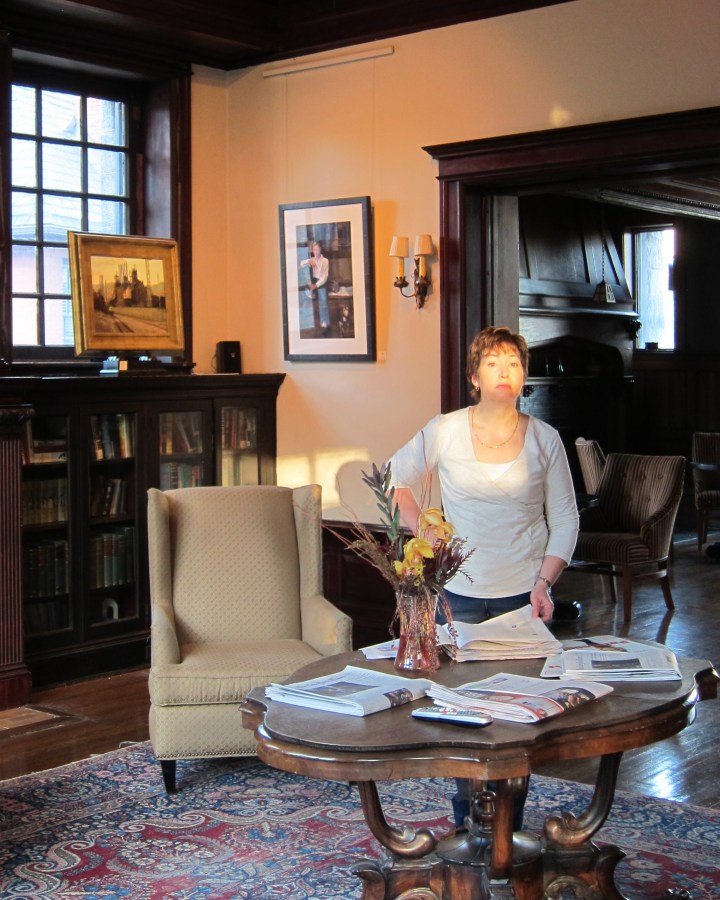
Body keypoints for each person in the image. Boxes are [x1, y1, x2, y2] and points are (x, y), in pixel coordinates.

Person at [386, 325, 579, 830]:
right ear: (474, 377)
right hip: (459, 596)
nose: (504, 372)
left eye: (513, 363)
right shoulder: (445, 430)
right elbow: (393, 478)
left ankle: (508, 827)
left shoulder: (545, 439)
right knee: (461, 713)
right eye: (493, 363)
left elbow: (566, 519)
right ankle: (466, 823)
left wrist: (545, 583)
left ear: (524, 375)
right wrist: (425, 531)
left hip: (523, 596)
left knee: (518, 718)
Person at [299, 241, 330, 335]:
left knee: (323, 300)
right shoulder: (312, 259)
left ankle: (324, 322)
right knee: (306, 298)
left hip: (321, 283)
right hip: (312, 282)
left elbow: (325, 277)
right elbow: (300, 264)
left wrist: (316, 285)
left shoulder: (325, 261)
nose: (316, 252)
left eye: (317, 249)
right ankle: (310, 321)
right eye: (314, 250)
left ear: (321, 249)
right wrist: (308, 261)